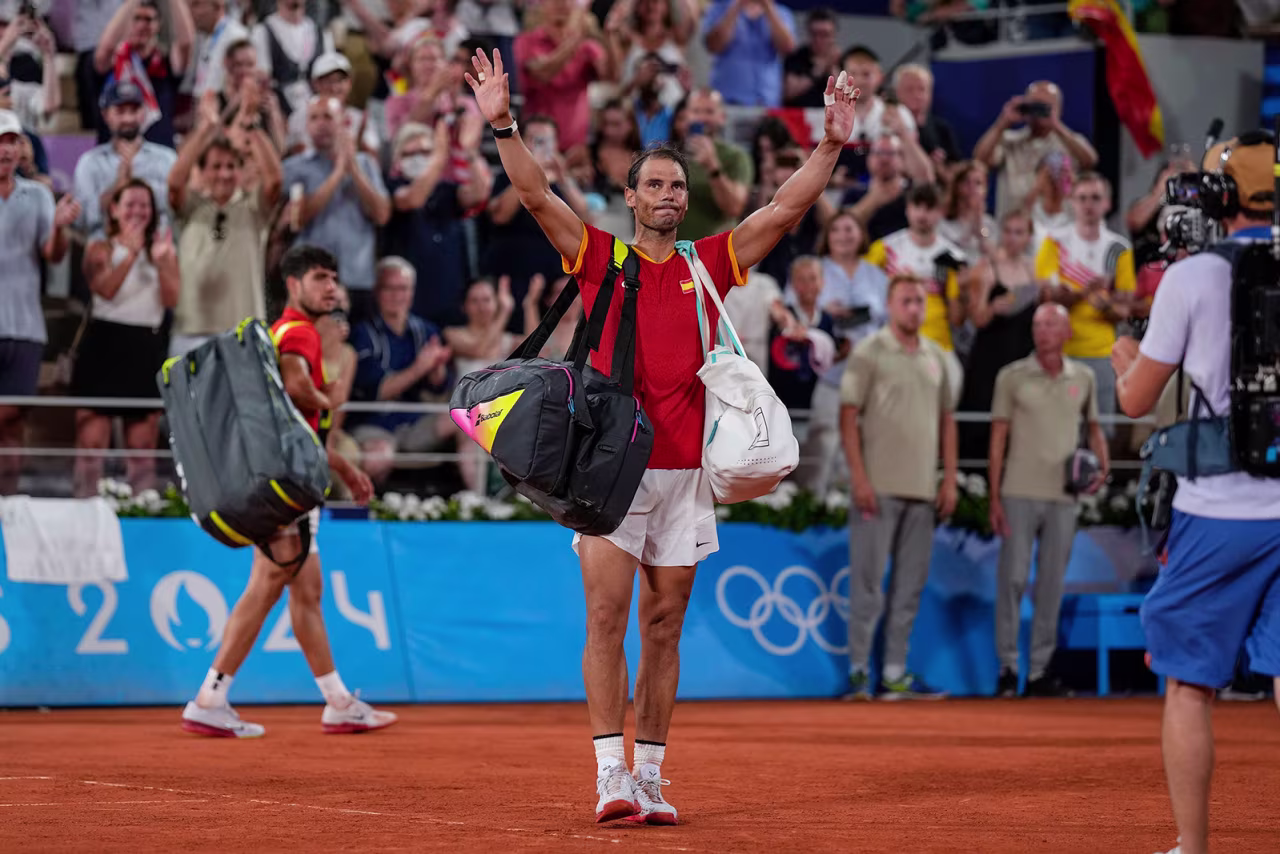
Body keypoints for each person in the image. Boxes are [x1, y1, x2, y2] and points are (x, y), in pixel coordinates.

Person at [464, 46, 857, 825]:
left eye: (678, 184)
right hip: (607, 477)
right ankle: (609, 774)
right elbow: (538, 195)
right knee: (607, 619)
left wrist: (833, 144)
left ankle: (649, 776)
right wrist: (504, 123)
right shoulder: (598, 256)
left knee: (665, 626)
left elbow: (782, 210)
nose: (668, 194)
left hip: (687, 474)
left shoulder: (712, 262)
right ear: (631, 195)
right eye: (655, 184)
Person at [1111, 133, 1280, 854]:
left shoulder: (1193, 277)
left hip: (1220, 508)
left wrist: (1125, 351)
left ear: (1215, 198)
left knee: (1188, 684)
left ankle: (1194, 845)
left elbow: (1136, 400)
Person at [180, 245, 397, 739]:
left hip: (287, 478)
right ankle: (209, 698)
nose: (332, 287)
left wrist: (339, 461)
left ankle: (338, 701)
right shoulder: (299, 332)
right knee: (268, 585)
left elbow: (298, 423)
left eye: (334, 277)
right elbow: (300, 393)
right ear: (294, 285)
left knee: (307, 590)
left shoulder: (282, 331)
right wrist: (335, 393)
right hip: (288, 487)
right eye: (320, 277)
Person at [840, 273, 957, 701]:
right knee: (868, 586)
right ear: (890, 306)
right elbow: (848, 415)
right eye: (907, 301)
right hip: (878, 487)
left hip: (923, 490)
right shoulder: (870, 352)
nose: (914, 308)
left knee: (909, 587)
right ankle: (857, 675)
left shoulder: (935, 357)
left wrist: (949, 478)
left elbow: (947, 420)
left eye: (919, 302)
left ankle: (893, 674)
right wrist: (859, 477)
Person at [988, 303, 1108, 698]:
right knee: (1013, 581)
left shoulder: (1085, 376)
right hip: (1019, 490)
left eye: (1051, 324)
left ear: (1068, 331)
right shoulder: (1012, 376)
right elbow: (998, 439)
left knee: (1052, 584)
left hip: (1064, 495)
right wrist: (994, 496)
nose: (1043, 331)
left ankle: (1039, 671)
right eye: (1038, 324)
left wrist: (1103, 466)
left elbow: (1093, 428)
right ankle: (1008, 668)